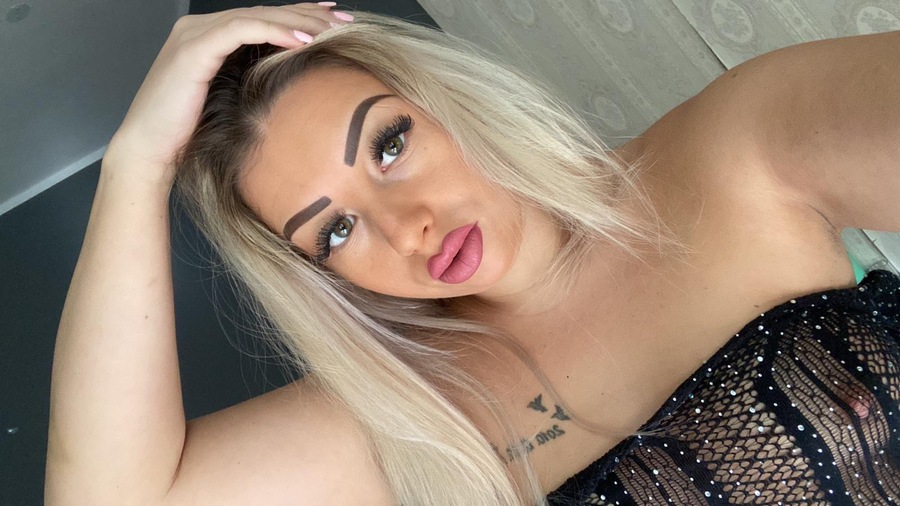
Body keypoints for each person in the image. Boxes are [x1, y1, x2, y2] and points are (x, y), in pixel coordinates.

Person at [44, 2, 900, 505]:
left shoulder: (735, 152)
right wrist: (135, 165)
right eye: (335, 231)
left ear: (444, 99)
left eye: (388, 145)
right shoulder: (415, 417)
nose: (404, 227)